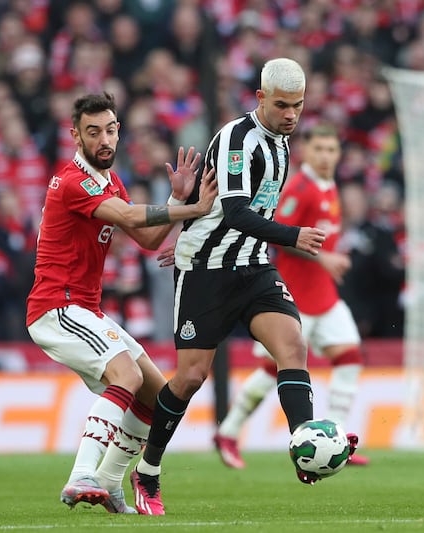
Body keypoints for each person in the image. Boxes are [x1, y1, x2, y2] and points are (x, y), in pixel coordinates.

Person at [130, 58, 356, 516]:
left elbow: (246, 216)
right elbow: (234, 213)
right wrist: (294, 236)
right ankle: (147, 472)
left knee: (292, 345)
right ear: (259, 98)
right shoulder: (238, 139)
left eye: (297, 105)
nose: (291, 114)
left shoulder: (282, 143)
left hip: (253, 267)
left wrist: (209, 231)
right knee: (191, 377)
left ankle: (304, 443)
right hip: (206, 270)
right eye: (281, 105)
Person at [25, 92, 217, 514]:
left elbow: (147, 239)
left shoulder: (110, 182)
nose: (104, 140)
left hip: (85, 309)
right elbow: (131, 219)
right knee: (125, 374)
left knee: (153, 396)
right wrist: (194, 209)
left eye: (110, 130)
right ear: (75, 135)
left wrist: (177, 201)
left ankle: (111, 483)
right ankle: (82, 475)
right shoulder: (71, 182)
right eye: (93, 132)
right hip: (56, 307)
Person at [213, 124, 370, 469]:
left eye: (332, 150)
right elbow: (280, 235)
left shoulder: (329, 187)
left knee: (350, 357)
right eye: (319, 150)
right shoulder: (300, 188)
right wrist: (325, 258)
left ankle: (337, 437)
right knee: (274, 369)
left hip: (324, 295)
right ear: (306, 153)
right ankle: (228, 431)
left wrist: (328, 260)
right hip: (296, 294)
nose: (326, 156)